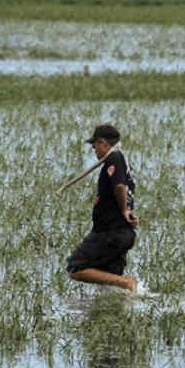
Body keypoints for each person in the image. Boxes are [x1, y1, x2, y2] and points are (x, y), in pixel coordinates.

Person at [66, 124, 139, 292]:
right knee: (110, 286)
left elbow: (120, 187)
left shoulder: (114, 158)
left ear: (103, 143)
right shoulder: (121, 161)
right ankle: (124, 294)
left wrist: (124, 210)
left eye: (95, 146)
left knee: (75, 268)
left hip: (110, 233)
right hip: (121, 233)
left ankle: (127, 283)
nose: (95, 150)